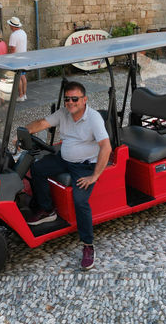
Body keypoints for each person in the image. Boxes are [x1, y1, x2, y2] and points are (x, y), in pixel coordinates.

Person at [24, 82, 112, 271]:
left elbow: (106, 147)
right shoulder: (64, 113)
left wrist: (95, 176)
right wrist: (22, 131)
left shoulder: (94, 118)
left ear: (84, 99)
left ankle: (88, 245)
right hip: (65, 159)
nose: (70, 102)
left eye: (75, 99)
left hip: (85, 166)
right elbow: (41, 123)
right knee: (37, 169)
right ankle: (48, 210)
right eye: (67, 99)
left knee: (80, 201)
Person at [7, 17, 28, 101]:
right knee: (23, 76)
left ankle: (20, 95)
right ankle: (24, 94)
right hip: (24, 57)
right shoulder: (23, 32)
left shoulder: (13, 35)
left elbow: (13, 49)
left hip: (16, 58)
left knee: (18, 77)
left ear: (12, 26)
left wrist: (10, 59)